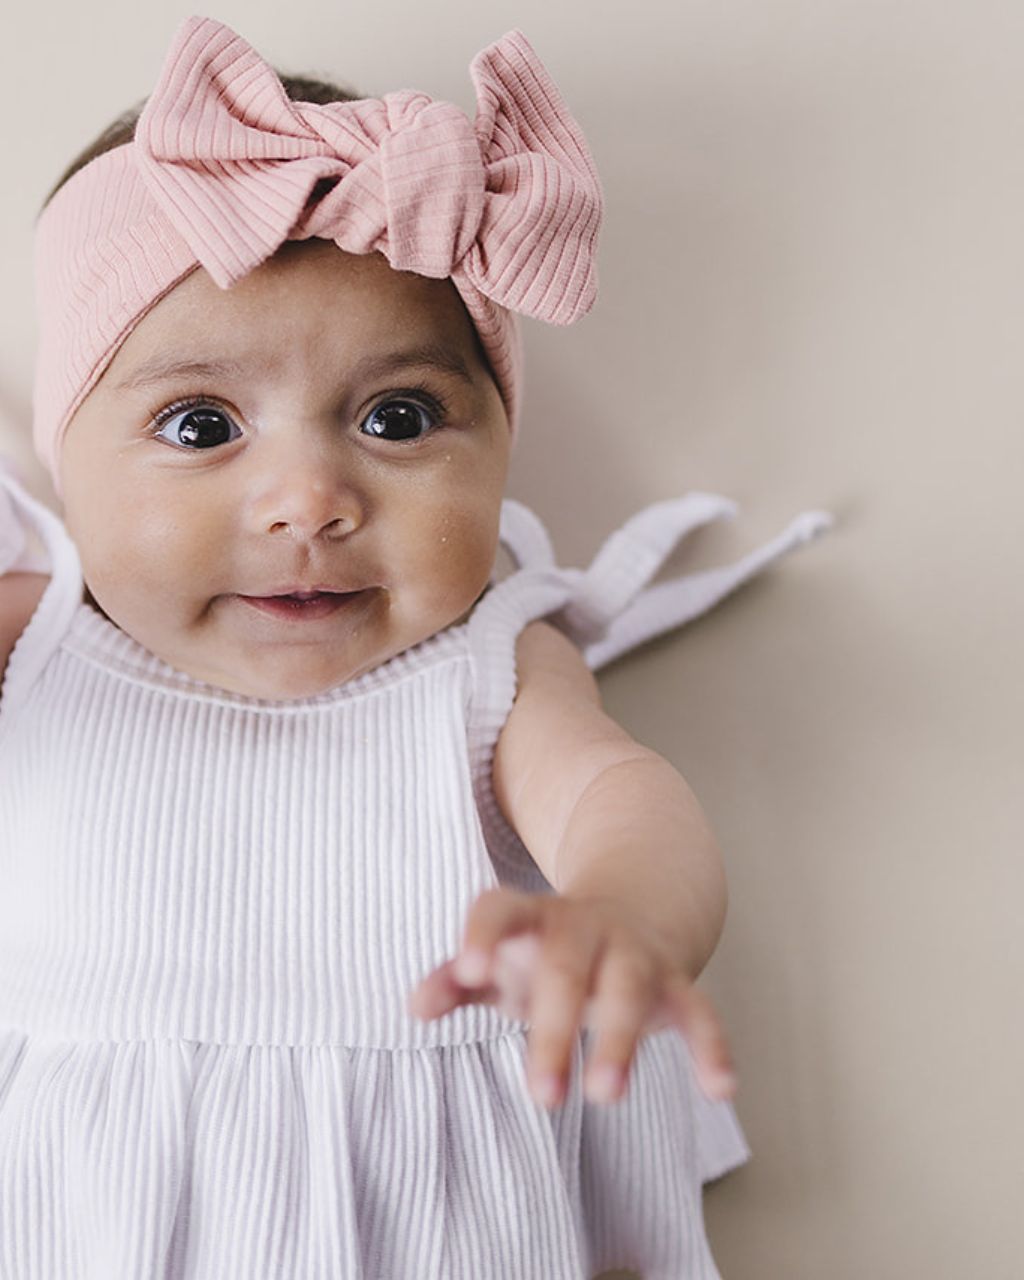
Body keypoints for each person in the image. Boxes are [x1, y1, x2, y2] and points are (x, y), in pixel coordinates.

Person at [0, 16, 832, 1279]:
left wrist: (621, 915)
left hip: (444, 1218)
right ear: (70, 457)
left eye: (397, 415)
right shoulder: (37, 627)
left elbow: (621, 793)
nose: (308, 496)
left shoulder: (488, 659)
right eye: (199, 422)